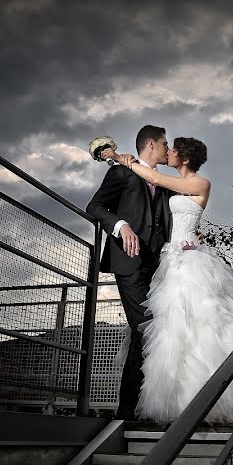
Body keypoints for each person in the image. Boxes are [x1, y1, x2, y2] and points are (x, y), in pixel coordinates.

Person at [104, 137, 233, 423]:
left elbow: (153, 176)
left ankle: (209, 402)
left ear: (185, 158)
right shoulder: (171, 185)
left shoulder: (201, 183)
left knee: (202, 327)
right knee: (172, 329)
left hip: (191, 262)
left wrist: (127, 160)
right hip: (170, 260)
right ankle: (174, 402)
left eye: (173, 150)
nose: (169, 153)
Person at [86, 125, 172, 420]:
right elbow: (95, 206)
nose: (167, 148)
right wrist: (121, 226)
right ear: (151, 143)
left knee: (150, 332)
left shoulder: (160, 181)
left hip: (159, 267)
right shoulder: (121, 173)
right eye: (164, 143)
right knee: (146, 327)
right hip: (129, 264)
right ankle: (128, 412)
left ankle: (137, 409)